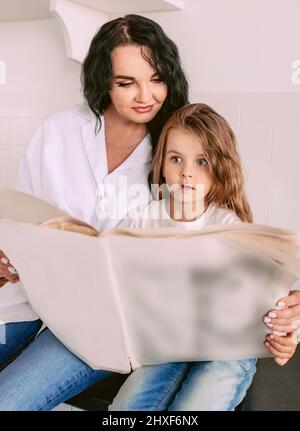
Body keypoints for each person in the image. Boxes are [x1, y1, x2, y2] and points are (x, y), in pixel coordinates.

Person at [0, 14, 189, 410]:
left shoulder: (178, 152)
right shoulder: (58, 131)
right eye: (126, 83)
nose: (145, 95)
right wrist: (7, 253)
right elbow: (23, 217)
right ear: (104, 80)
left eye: (156, 79)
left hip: (102, 320)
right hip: (27, 293)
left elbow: (212, 233)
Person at [109, 103, 299, 411]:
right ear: (161, 163)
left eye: (201, 161)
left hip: (227, 351)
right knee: (125, 409)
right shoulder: (141, 221)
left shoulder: (229, 228)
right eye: (176, 159)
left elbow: (270, 298)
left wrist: (287, 335)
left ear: (219, 169)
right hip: (165, 346)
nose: (186, 172)